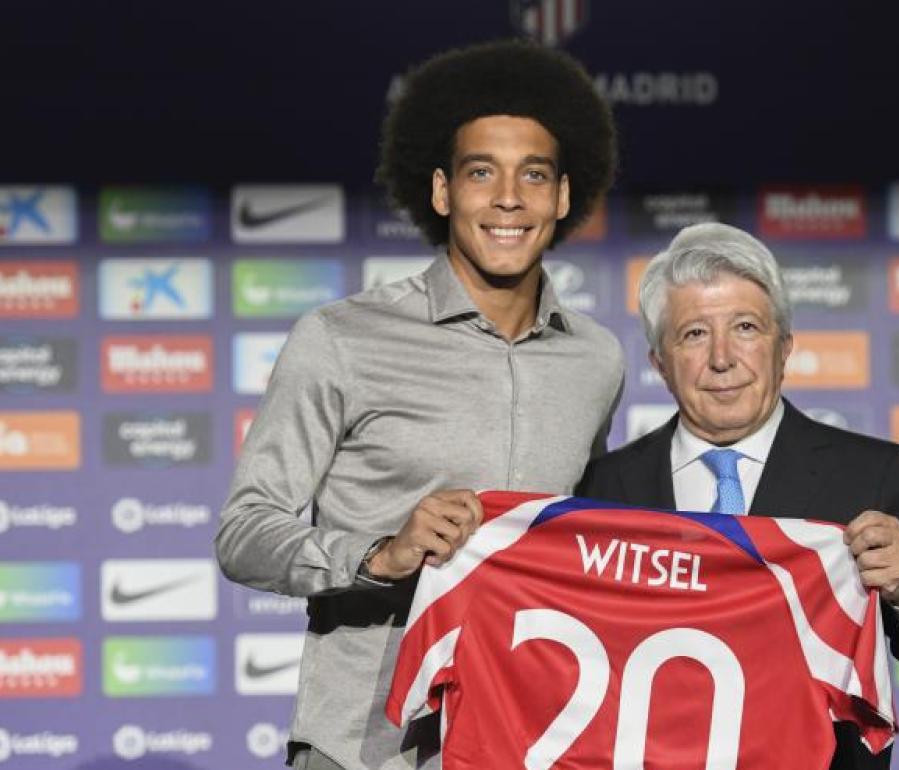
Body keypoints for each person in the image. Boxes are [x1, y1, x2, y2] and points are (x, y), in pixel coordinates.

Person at [216, 40, 623, 770]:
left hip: (530, 738)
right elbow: (245, 532)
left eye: (534, 174)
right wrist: (380, 555)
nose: (508, 198)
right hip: (366, 747)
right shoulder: (340, 339)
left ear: (563, 197)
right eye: (480, 173)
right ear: (441, 192)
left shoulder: (596, 359)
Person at [576, 222, 899, 770]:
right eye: (694, 334)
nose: (722, 358)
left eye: (745, 328)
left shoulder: (874, 474)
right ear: (660, 363)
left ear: (784, 347)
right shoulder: (603, 488)